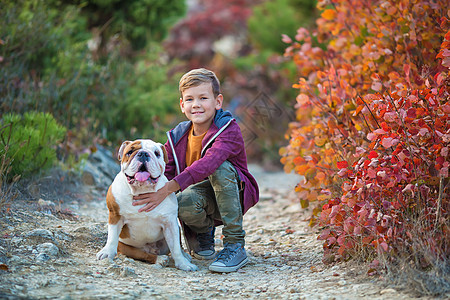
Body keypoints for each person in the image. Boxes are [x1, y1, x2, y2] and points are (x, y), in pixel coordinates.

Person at [132, 68, 259, 273]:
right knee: (179, 201)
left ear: (218, 102)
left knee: (220, 168)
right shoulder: (177, 136)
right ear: (182, 105)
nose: (196, 104)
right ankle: (202, 234)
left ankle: (235, 245)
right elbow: (167, 173)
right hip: (202, 198)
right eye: (189, 99)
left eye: (203, 98)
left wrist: (167, 190)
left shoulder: (228, 128)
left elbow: (209, 163)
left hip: (234, 193)